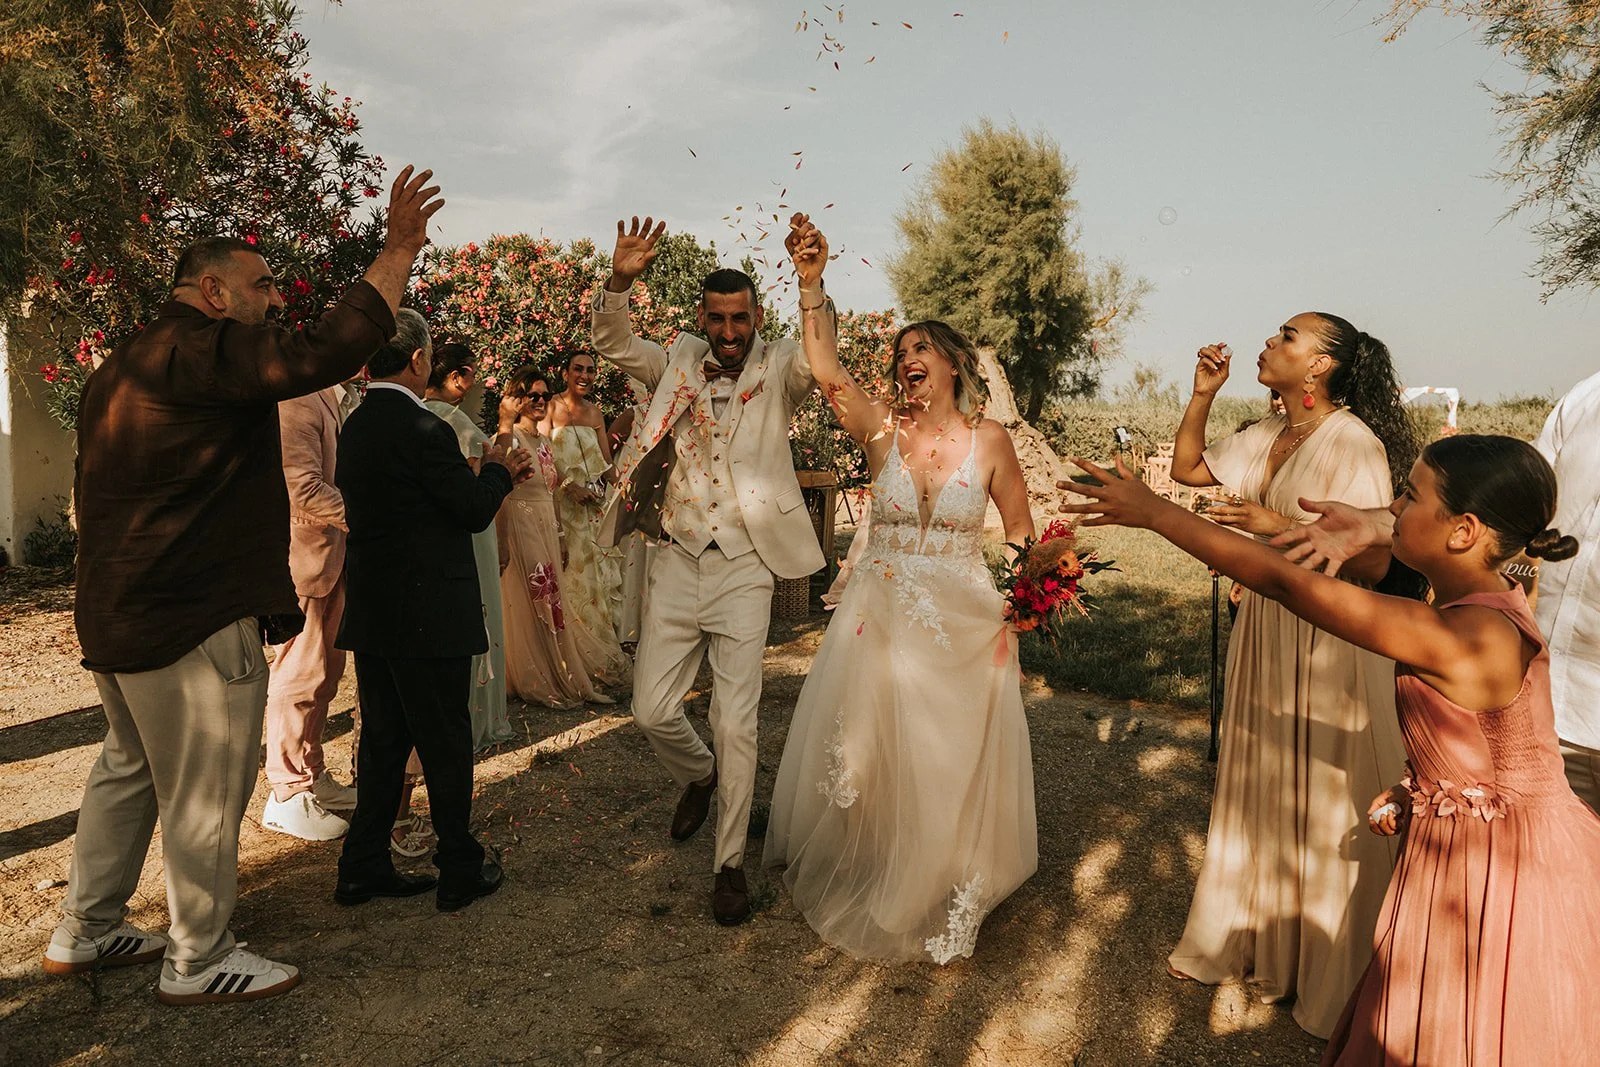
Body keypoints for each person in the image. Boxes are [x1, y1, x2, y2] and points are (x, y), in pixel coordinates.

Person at [1062, 436, 1600, 1066]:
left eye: (1410, 495)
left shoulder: (1465, 631)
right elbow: (1502, 739)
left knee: (1464, 1024)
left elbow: (1287, 585)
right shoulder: (1482, 605)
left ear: (1464, 531)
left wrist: (1156, 512)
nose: (1394, 509)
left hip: (1500, 868)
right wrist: (1424, 782)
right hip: (1483, 837)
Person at [46, 164, 441, 1004]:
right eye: (261, 286)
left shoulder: (121, 364)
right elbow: (320, 350)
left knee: (129, 768)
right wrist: (398, 248)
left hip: (117, 616)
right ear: (214, 293)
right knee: (205, 788)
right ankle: (198, 956)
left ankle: (85, 925)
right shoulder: (201, 350)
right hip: (189, 614)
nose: (274, 299)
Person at [763, 216, 1038, 963]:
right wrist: (812, 280)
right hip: (878, 617)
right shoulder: (882, 430)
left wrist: (1034, 592)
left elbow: (1020, 531)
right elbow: (826, 371)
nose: (905, 360)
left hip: (963, 621)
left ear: (952, 364)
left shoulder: (990, 440)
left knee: (946, 754)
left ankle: (945, 876)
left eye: (920, 349)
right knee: (874, 752)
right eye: (898, 353)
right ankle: (886, 864)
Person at [1159, 315, 1418, 1037]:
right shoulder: (1270, 435)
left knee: (1324, 786)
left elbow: (1368, 562)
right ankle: (1241, 935)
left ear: (1322, 367)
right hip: (1270, 624)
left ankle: (1326, 966)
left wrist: (1266, 531)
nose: (1269, 342)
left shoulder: (1353, 442)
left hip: (1329, 632)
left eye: (1288, 336)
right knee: (1264, 774)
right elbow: (1186, 470)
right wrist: (1202, 394)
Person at [590, 214, 825, 925]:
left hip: (748, 566)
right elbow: (611, 342)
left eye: (740, 318)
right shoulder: (679, 359)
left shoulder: (781, 365)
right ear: (702, 316)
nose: (728, 331)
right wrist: (620, 282)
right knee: (652, 708)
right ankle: (698, 776)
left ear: (757, 315)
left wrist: (813, 285)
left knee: (736, 718)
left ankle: (728, 865)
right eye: (717, 318)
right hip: (679, 557)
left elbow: (819, 362)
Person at [333, 309, 531, 913]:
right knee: (445, 741)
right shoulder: (424, 429)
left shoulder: (356, 424)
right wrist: (500, 471)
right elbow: (471, 508)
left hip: (375, 609)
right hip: (430, 611)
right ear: (419, 360)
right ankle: (458, 868)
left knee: (384, 742)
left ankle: (362, 865)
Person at [261, 380, 359, 841]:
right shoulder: (300, 400)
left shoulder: (340, 398)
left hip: (334, 554)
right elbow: (302, 489)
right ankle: (285, 790)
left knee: (326, 673)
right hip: (307, 558)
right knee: (299, 673)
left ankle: (311, 771)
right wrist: (374, 513)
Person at [494, 367, 617, 707]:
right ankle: (537, 677)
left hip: (547, 522)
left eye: (544, 396)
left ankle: (550, 669)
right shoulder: (509, 440)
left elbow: (553, 489)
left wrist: (561, 534)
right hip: (521, 522)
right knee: (539, 601)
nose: (539, 401)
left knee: (551, 601)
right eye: (531, 395)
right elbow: (499, 492)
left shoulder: (543, 441)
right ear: (516, 399)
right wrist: (502, 541)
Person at [422, 341, 513, 750]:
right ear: (457, 378)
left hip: (431, 538)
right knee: (479, 615)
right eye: (471, 373)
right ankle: (476, 715)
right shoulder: (458, 425)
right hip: (473, 530)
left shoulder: (414, 417)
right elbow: (489, 486)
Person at [543, 352, 629, 685]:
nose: (585, 374)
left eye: (591, 370)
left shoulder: (595, 412)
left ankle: (598, 661)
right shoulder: (549, 407)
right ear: (565, 372)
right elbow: (544, 460)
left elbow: (607, 464)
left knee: (596, 585)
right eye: (578, 368)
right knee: (571, 580)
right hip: (563, 511)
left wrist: (629, 487)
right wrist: (569, 486)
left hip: (594, 511)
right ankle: (571, 662)